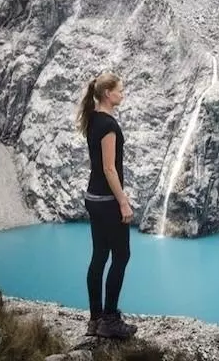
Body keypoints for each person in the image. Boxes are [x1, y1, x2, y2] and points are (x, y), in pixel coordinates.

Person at [76, 72, 138, 339]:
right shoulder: (109, 125)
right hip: (108, 201)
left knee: (99, 256)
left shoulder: (92, 120)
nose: (122, 94)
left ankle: (95, 318)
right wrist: (123, 202)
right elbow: (109, 168)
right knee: (121, 256)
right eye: (119, 91)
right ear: (107, 94)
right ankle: (110, 320)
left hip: (93, 198)